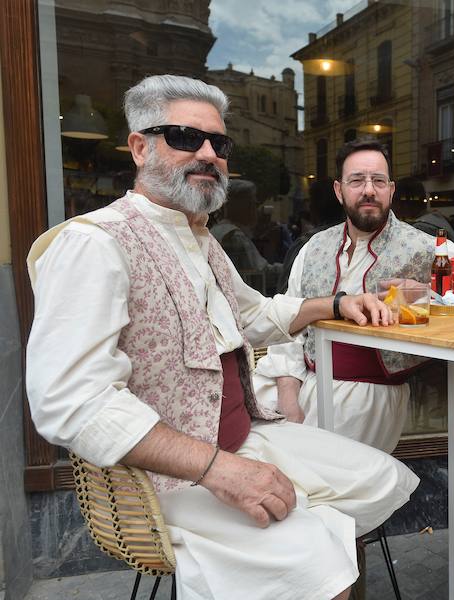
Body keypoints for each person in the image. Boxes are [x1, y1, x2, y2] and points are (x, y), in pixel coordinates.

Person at [25, 74, 418, 600]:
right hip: (168, 476)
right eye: (187, 138)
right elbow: (68, 401)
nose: (209, 153)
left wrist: (338, 303)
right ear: (140, 147)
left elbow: (253, 313)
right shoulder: (92, 244)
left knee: (380, 478)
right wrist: (217, 469)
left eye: (220, 143)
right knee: (320, 573)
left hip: (243, 434)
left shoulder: (199, 238)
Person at [253, 138, 454, 454]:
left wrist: (424, 294)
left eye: (378, 181)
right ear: (340, 191)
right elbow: (289, 327)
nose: (369, 190)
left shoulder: (423, 247)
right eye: (357, 181)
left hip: (367, 398)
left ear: (391, 190)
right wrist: (288, 397)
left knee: (324, 485)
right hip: (295, 385)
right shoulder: (313, 248)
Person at [210, 179, 281, 294]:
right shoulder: (234, 237)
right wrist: (291, 266)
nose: (255, 209)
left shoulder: (216, 230)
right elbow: (262, 274)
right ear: (241, 206)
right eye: (252, 204)